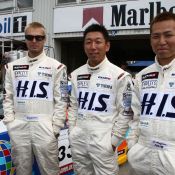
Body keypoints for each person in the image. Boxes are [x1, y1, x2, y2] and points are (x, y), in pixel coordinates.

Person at [3, 22, 68, 175]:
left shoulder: (57, 67)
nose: (34, 41)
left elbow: (62, 100)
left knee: (50, 170)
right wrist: (10, 123)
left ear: (45, 39)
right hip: (19, 126)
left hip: (45, 126)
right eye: (29, 37)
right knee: (21, 170)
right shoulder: (11, 67)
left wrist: (56, 128)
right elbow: (8, 97)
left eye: (38, 38)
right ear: (25, 39)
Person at [68, 23, 133, 175]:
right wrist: (72, 131)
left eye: (98, 41)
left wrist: (114, 141)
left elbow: (126, 111)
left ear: (107, 45)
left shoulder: (120, 76)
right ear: (84, 46)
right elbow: (73, 106)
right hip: (79, 139)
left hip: (104, 142)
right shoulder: (75, 75)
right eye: (88, 42)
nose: (93, 46)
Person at [127, 12, 175, 175]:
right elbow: (135, 116)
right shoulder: (142, 75)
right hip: (142, 157)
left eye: (168, 35)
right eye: (156, 36)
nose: (162, 41)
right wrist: (132, 147)